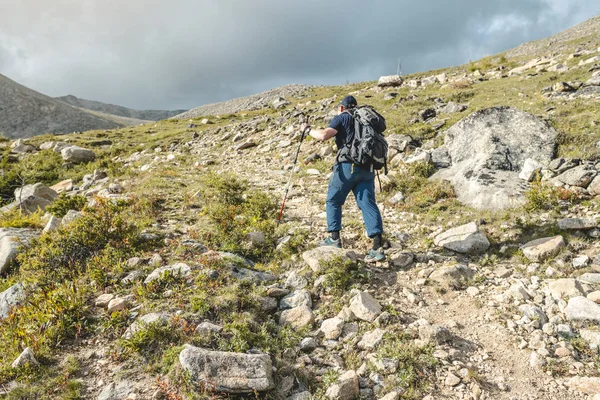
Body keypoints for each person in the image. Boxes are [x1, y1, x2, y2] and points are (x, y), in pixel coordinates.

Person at [304, 95, 385, 263]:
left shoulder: (342, 117)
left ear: (342, 108)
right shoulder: (366, 120)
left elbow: (324, 135)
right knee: (367, 203)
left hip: (348, 167)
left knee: (333, 200)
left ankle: (334, 239)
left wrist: (307, 130)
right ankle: (377, 247)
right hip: (368, 168)